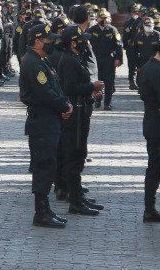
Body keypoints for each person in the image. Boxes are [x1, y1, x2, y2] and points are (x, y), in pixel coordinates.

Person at [18, 22, 72, 228]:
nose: (52, 43)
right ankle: (41, 212)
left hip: (49, 119)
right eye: (49, 40)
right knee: (43, 167)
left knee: (49, 166)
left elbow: (54, 87)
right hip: (42, 121)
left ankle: (45, 209)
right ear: (38, 41)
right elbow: (45, 92)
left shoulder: (42, 60)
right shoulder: (33, 63)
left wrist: (63, 103)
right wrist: (64, 105)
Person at [57, 26, 105, 216]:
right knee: (74, 154)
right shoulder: (68, 60)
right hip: (74, 114)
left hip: (82, 109)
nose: (86, 43)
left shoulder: (76, 58)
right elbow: (70, 87)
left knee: (80, 153)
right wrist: (90, 86)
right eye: (82, 40)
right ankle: (74, 199)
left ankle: (78, 194)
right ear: (73, 43)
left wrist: (91, 92)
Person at [137, 38, 160, 223]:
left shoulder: (147, 66)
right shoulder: (158, 70)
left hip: (153, 122)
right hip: (159, 125)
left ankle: (149, 207)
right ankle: (152, 208)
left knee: (156, 168)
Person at [88, 10, 122, 110]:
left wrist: (118, 58)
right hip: (95, 59)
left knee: (109, 82)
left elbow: (118, 46)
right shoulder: (92, 30)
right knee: (97, 80)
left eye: (105, 18)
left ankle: (107, 103)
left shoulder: (113, 30)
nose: (104, 20)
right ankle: (98, 99)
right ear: (97, 19)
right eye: (102, 18)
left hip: (108, 59)